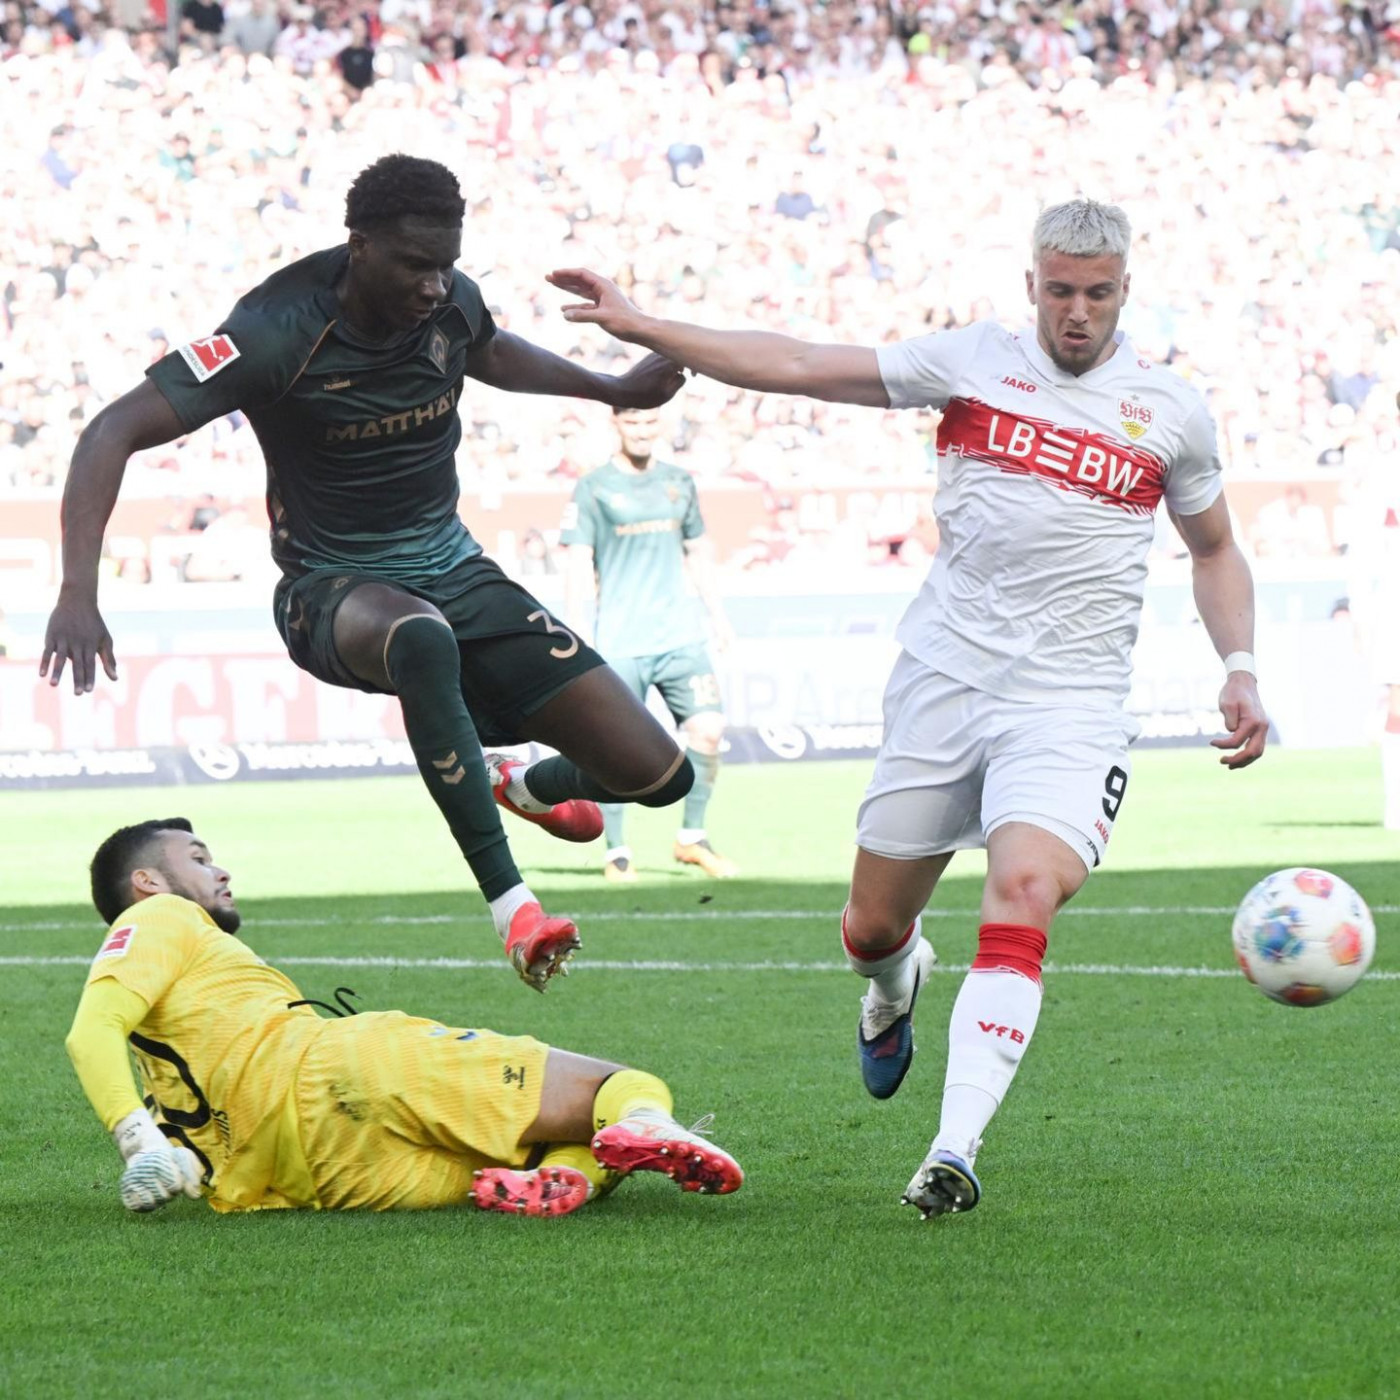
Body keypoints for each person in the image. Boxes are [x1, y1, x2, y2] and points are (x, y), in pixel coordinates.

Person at [546, 198, 1270, 1218]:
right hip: (942, 682)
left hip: (1069, 703)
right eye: (1058, 290)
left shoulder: (1169, 411)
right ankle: (894, 983)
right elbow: (801, 364)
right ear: (1030, 284)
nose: (1075, 311)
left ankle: (952, 1146)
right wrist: (649, 326)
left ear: (1123, 291)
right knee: (868, 924)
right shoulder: (971, 361)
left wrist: (1237, 660)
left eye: (1095, 293)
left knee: (1021, 889)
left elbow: (1212, 547)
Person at [40, 154, 700, 995]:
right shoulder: (276, 330)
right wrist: (77, 591)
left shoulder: (450, 301)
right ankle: (512, 907)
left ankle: (521, 781)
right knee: (419, 636)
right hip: (332, 590)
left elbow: (489, 352)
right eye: (416, 265)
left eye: (447, 264)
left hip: (455, 566)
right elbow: (109, 432)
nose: (436, 285)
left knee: (657, 772)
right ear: (358, 246)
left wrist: (609, 386)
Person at [66, 818, 745, 1217]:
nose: (220, 871)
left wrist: (171, 1161)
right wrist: (138, 1143)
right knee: (615, 1089)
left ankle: (579, 1174)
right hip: (342, 1067)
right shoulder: (158, 914)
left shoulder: (164, 1066)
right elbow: (89, 1031)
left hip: (324, 1177)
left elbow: (187, 1139)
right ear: (147, 882)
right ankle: (650, 1120)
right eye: (198, 859)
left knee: (537, 1149)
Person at [562, 404, 739, 882]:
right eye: (632, 422)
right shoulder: (594, 487)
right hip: (621, 639)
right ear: (615, 425)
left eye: (649, 422)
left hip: (681, 636)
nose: (641, 431)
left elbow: (697, 550)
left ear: (661, 426)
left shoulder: (679, 481)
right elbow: (578, 559)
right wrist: (577, 628)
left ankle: (692, 839)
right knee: (615, 748)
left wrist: (716, 614)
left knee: (708, 728)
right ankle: (617, 850)